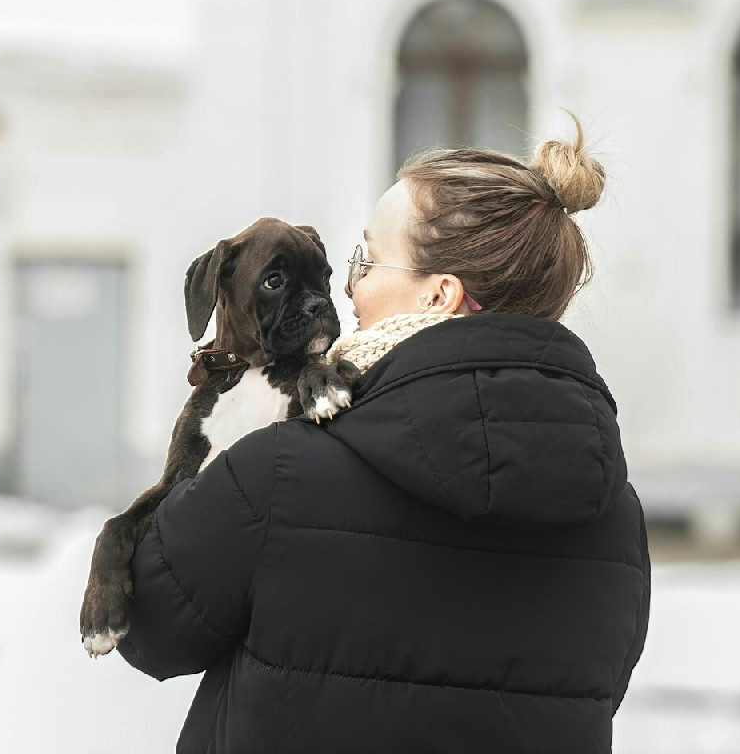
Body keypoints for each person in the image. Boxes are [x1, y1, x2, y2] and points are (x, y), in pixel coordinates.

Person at [117, 117, 650, 754]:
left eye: (365, 260)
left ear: (439, 297)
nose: (346, 284)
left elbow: (148, 626)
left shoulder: (277, 471)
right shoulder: (613, 516)